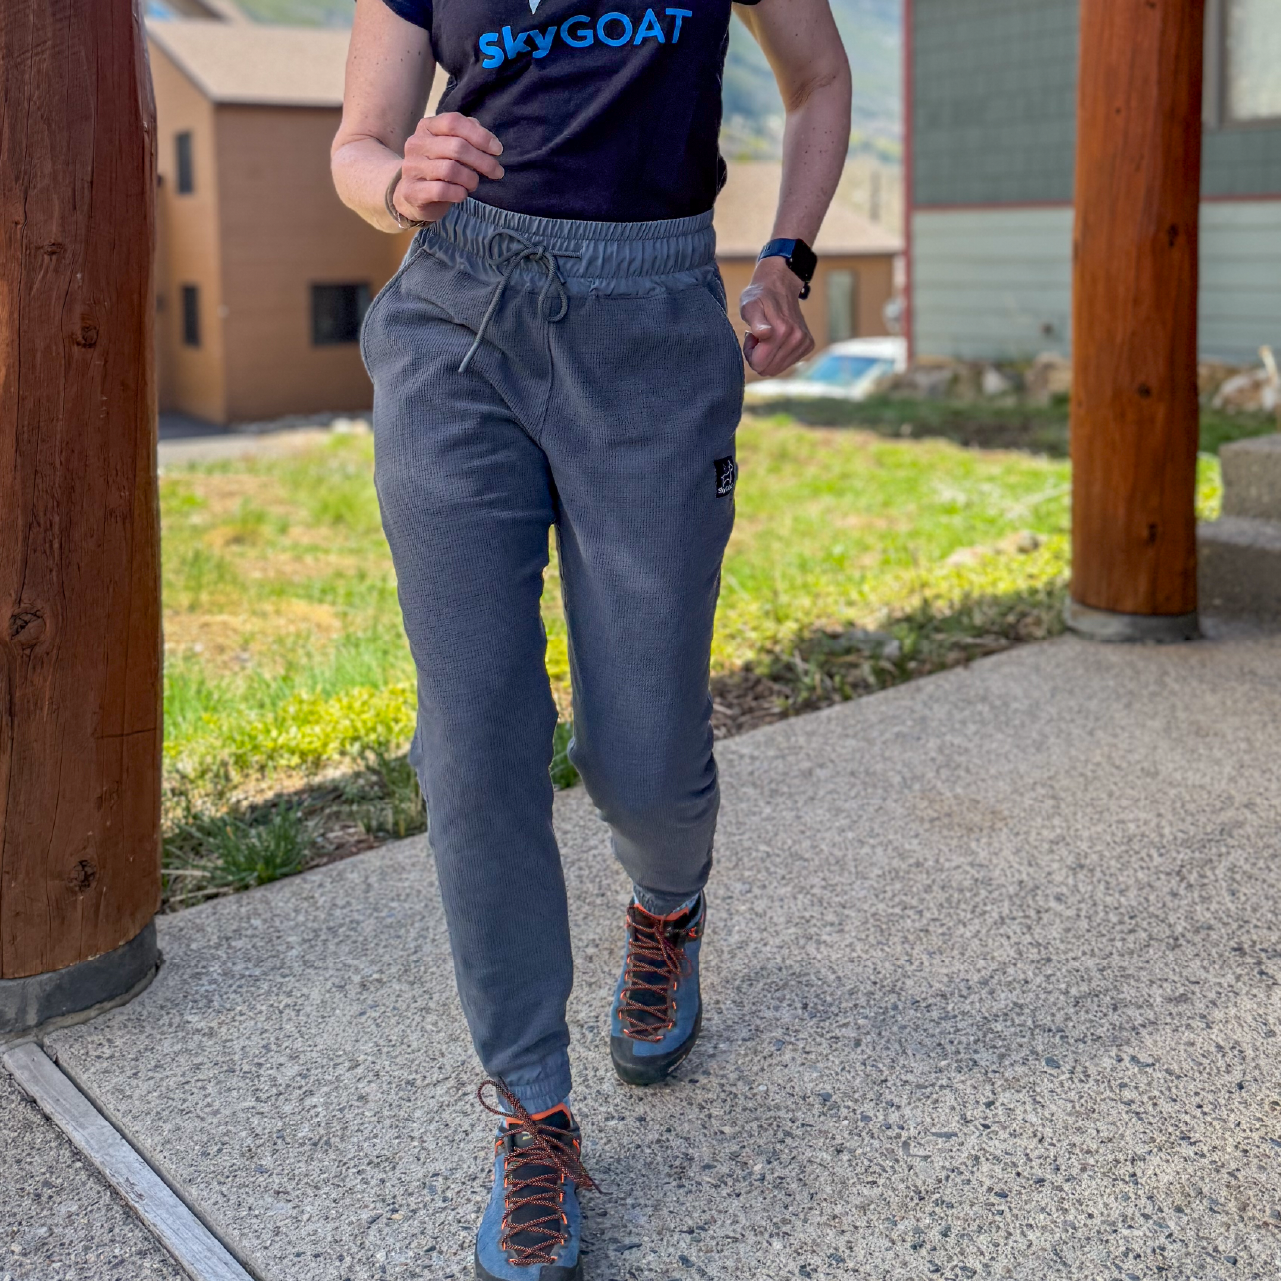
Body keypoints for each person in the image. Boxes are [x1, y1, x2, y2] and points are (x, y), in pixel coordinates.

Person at [331, 0, 850, 1271]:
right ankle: (530, 1113)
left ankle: (666, 908)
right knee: (475, 737)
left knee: (644, 748)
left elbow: (822, 76)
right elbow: (358, 143)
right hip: (459, 320)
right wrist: (397, 184)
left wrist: (786, 257)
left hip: (656, 326)